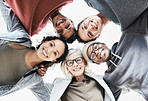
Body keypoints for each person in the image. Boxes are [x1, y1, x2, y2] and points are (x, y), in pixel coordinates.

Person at [0, 1, 68, 101]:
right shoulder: (22, 36)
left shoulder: (35, 79)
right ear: (45, 41)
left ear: (54, 60)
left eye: (55, 53)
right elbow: (6, 6)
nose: (48, 50)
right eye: (51, 44)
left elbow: (46, 98)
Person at [82, 6, 148, 100]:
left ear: (103, 44)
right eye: (92, 55)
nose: (96, 51)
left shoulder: (129, 34)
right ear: (97, 62)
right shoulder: (110, 78)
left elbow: (143, 9)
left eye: (95, 46)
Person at [45, 48, 115, 101]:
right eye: (70, 62)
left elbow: (120, 83)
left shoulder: (99, 80)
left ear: (84, 62)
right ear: (67, 67)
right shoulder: (59, 85)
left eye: (78, 60)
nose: (75, 64)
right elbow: (37, 86)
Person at [4, 0, 77, 43]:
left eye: (60, 31)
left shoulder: (33, 28)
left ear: (55, 32)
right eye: (67, 27)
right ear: (71, 21)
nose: (61, 25)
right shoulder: (66, 0)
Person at [77, 0, 148, 43]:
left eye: (85, 27)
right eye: (90, 34)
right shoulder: (126, 25)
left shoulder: (91, 1)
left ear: (85, 18)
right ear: (98, 35)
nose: (90, 27)